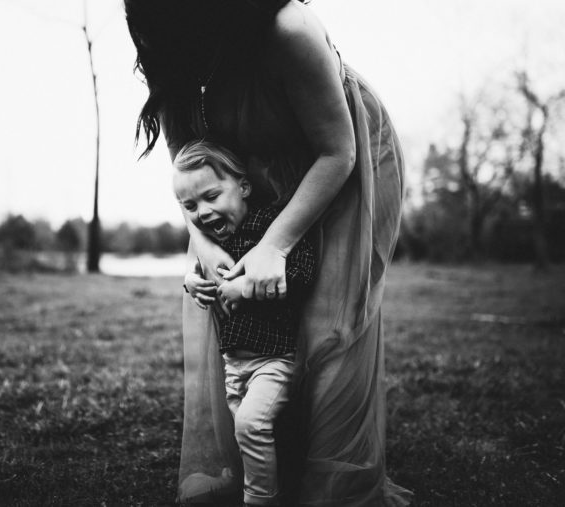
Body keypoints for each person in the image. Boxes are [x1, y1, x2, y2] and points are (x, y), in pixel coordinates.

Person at [125, 0, 413, 505]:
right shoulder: (171, 58)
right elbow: (187, 172)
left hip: (344, 161)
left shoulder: (288, 28)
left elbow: (338, 152)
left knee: (325, 320)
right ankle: (260, 471)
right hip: (258, 170)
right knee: (241, 305)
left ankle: (331, 486)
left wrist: (275, 245)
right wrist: (205, 246)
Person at [174, 140, 316, 505]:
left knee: (252, 425)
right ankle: (268, 484)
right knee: (249, 433)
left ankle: (259, 499)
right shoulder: (215, 243)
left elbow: (301, 275)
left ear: (244, 187)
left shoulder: (270, 228)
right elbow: (196, 271)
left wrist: (245, 288)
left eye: (211, 196)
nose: (202, 212)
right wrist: (191, 282)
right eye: (190, 206)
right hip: (234, 364)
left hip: (274, 359)